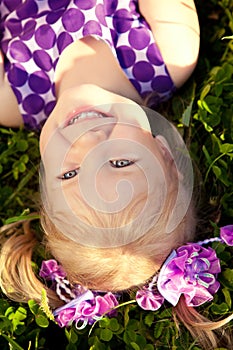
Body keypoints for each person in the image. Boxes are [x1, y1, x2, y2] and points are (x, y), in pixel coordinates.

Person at [1, 0, 232, 349]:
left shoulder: (12, 97)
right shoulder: (167, 54)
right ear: (166, 154)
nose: (86, 143)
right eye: (122, 161)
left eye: (70, 173)